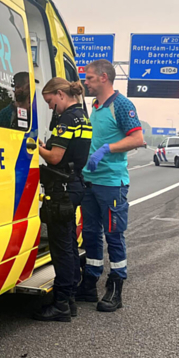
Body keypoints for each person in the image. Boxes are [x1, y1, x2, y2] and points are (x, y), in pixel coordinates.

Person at [77, 59, 145, 313]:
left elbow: (138, 138)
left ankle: (115, 287)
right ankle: (90, 282)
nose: (86, 82)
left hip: (112, 183)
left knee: (114, 235)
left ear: (104, 77)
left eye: (90, 78)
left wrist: (107, 149)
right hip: (90, 181)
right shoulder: (95, 106)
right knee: (91, 234)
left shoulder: (122, 104)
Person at [33, 77, 91, 322]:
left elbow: (55, 157)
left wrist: (34, 145)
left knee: (61, 249)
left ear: (60, 94)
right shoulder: (82, 117)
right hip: (74, 183)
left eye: (49, 101)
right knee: (68, 244)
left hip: (63, 188)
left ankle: (61, 305)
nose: (49, 107)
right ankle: (69, 301)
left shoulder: (67, 119)